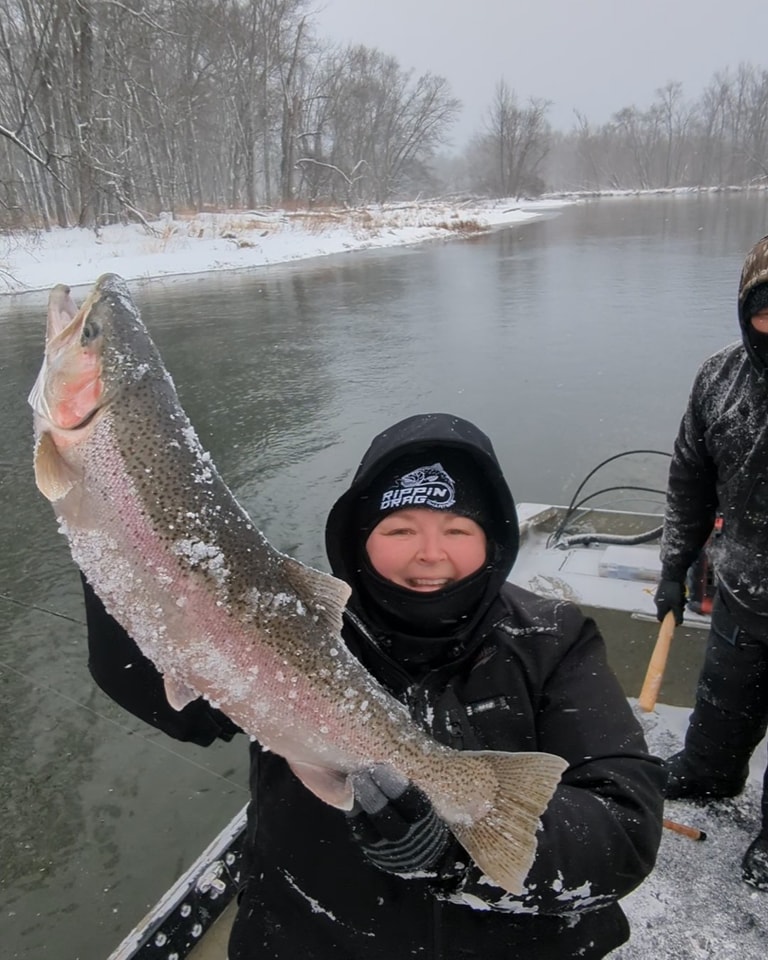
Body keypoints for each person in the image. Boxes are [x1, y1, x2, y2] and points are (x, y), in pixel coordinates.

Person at [85, 412, 664, 959]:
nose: (430, 554)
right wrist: (128, 555)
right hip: (306, 940)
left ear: (495, 540)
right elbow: (151, 692)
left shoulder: (552, 636)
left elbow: (626, 832)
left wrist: (452, 853)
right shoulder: (281, 625)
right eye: (400, 528)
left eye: (458, 528)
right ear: (361, 537)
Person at [654, 233, 768, 890]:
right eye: (766, 308)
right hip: (740, 586)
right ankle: (709, 771)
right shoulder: (719, 379)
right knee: (722, 700)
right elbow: (688, 480)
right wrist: (675, 567)